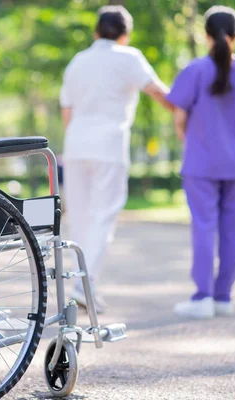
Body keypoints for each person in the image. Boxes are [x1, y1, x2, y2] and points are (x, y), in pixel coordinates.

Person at [60, 5, 172, 312]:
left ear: (96, 32)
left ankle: (83, 284)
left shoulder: (77, 62)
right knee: (103, 216)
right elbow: (160, 93)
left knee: (81, 219)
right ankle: (84, 284)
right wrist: (186, 112)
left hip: (76, 145)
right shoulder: (129, 57)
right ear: (125, 34)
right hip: (108, 147)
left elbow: (66, 111)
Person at [167, 6, 235, 319]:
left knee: (204, 228)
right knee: (233, 229)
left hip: (201, 162)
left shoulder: (194, 69)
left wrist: (189, 139)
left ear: (206, 35)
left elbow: (179, 116)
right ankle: (224, 297)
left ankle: (203, 297)